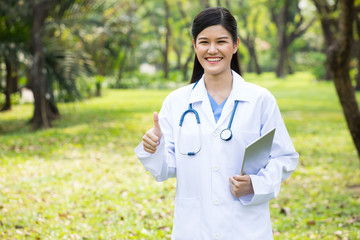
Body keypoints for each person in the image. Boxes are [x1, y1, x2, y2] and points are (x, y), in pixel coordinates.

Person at [135, 7, 298, 240]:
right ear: (194, 46)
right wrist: (154, 147)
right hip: (194, 227)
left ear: (235, 45)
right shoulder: (177, 102)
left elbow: (285, 158)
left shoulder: (260, 100)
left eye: (221, 41)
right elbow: (167, 169)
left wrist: (255, 184)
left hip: (246, 228)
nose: (212, 50)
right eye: (204, 42)